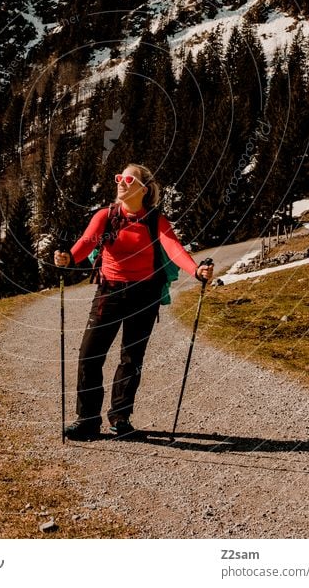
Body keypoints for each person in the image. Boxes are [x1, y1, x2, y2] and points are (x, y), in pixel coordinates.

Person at [53, 163, 214, 440]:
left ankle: (120, 420)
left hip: (145, 296)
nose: (121, 183)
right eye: (119, 177)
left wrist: (196, 270)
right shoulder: (106, 216)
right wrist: (68, 257)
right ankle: (88, 421)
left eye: (128, 179)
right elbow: (87, 243)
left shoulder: (155, 220)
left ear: (144, 188)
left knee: (131, 359)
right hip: (109, 293)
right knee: (89, 356)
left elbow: (174, 249)